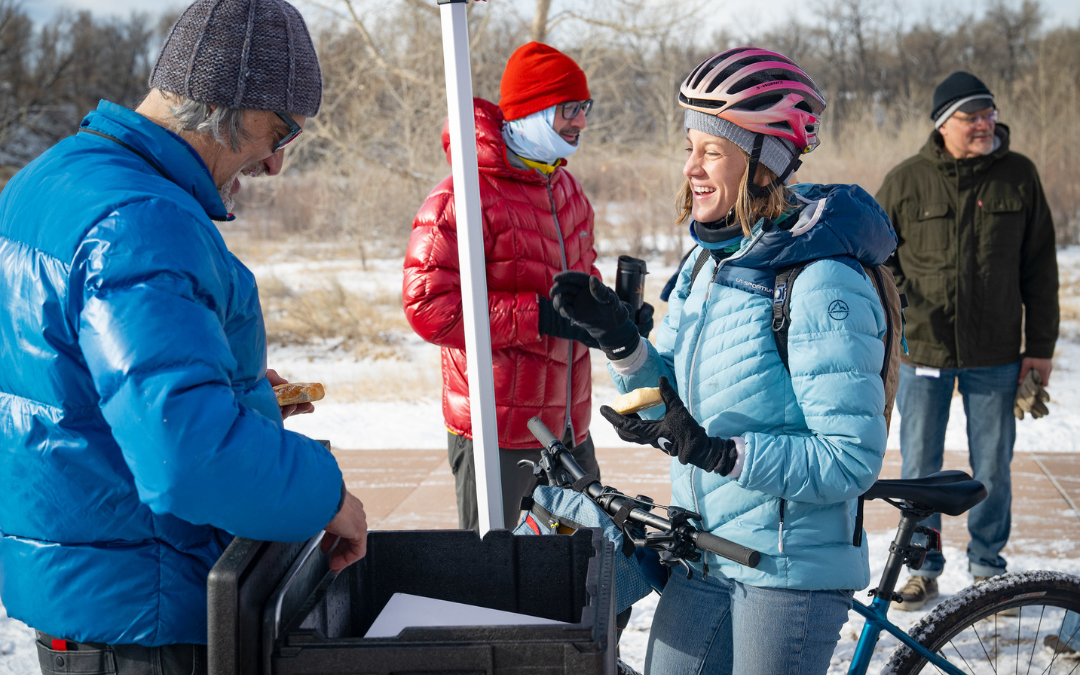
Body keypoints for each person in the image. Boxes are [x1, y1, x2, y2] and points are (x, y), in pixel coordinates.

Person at [0, 0, 368, 670]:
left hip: (83, 603)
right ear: (237, 106)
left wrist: (235, 391)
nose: (274, 165)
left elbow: (73, 381)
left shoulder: (46, 181)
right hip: (147, 618)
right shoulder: (142, 223)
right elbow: (186, 457)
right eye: (282, 134)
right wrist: (328, 491)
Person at [551, 47, 895, 675]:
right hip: (705, 549)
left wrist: (721, 453)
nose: (692, 169)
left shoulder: (822, 282)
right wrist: (620, 341)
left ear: (764, 162)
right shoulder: (711, 265)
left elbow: (850, 458)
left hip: (786, 572)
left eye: (712, 152)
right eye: (691, 149)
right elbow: (673, 396)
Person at [403, 42, 652, 531]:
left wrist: (610, 315)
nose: (580, 121)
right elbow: (428, 306)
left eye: (585, 108)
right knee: (500, 584)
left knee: (585, 574)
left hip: (568, 424)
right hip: (498, 432)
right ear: (533, 112)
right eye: (569, 109)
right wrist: (540, 318)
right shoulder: (461, 194)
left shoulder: (566, 189)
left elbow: (578, 284)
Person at [876, 71, 1059, 611]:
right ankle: (922, 567)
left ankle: (987, 568)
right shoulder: (907, 180)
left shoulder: (1019, 176)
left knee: (993, 467)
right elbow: (879, 262)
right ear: (943, 124)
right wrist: (902, 312)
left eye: (989, 114)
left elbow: (1039, 268)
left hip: (996, 353)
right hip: (923, 352)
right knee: (919, 467)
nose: (984, 124)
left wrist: (1040, 347)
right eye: (971, 116)